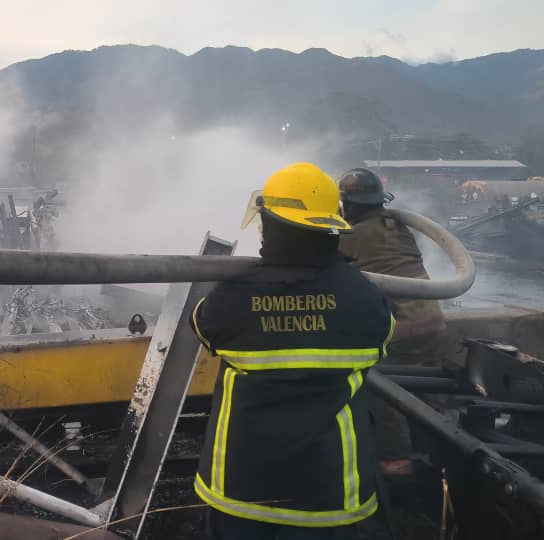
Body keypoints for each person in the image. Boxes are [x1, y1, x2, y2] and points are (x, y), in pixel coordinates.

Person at [191, 163, 396, 539]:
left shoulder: (234, 298)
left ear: (271, 224)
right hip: (330, 494)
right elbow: (383, 337)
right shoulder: (366, 299)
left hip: (242, 488)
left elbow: (204, 326)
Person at [337, 168, 446, 476]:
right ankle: (439, 453)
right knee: (426, 387)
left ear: (348, 204)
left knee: (382, 388)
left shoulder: (351, 236)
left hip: (400, 329)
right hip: (433, 322)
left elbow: (321, 264)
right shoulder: (397, 227)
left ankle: (395, 462)